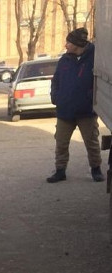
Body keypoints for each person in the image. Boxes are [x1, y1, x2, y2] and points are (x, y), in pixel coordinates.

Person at [47, 27, 104, 183]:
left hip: (86, 111)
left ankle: (96, 169)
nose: (66, 45)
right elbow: (55, 80)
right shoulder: (64, 60)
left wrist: (90, 97)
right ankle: (60, 171)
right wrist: (55, 96)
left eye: (68, 42)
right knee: (61, 142)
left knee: (91, 142)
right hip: (65, 111)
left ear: (77, 44)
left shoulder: (95, 58)